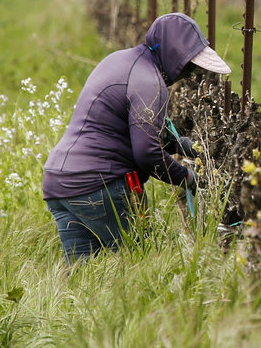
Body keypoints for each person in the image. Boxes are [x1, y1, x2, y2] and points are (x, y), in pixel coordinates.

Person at [42, 13, 231, 265]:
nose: (189, 74)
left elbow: (122, 126)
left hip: (59, 181)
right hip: (98, 184)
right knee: (138, 264)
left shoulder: (121, 60)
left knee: (80, 271)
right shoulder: (150, 83)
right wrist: (187, 178)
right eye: (189, 65)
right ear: (174, 56)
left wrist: (179, 144)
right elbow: (147, 153)